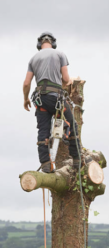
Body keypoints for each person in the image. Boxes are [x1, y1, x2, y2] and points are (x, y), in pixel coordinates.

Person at [23, 32, 80, 173]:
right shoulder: (60, 54)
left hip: (40, 101)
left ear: (39, 45)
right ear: (53, 43)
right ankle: (77, 160)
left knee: (43, 131)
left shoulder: (33, 59)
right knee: (72, 124)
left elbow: (26, 83)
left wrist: (25, 99)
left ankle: (46, 164)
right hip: (55, 99)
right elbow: (66, 80)